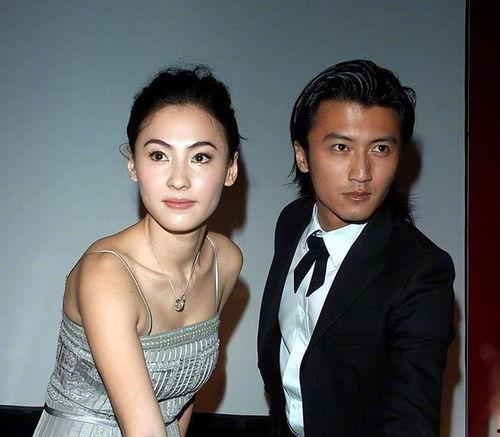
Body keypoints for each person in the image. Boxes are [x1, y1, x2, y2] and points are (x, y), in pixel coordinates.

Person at [33, 66, 242, 437]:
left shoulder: (224, 261)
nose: (178, 179)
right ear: (133, 164)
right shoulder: (106, 273)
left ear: (230, 169)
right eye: (159, 155)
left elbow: (182, 397)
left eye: (200, 157)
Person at [257, 60, 455, 436]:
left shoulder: (421, 271)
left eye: (380, 148)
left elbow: (410, 421)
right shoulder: (292, 223)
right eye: (341, 147)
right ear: (302, 155)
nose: (361, 172)